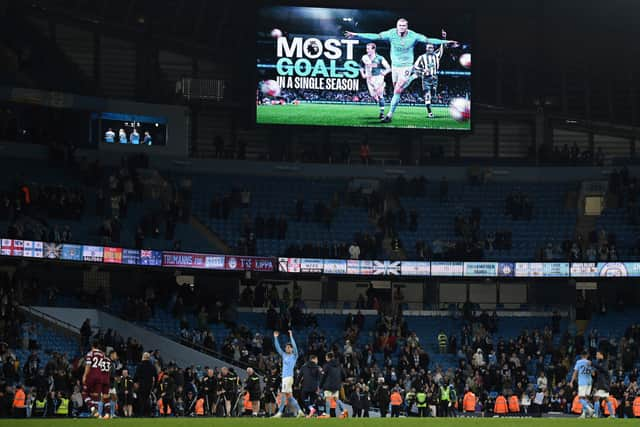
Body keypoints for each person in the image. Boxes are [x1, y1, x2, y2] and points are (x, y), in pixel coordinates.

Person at [345, 19, 454, 123]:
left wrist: (445, 41)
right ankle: (413, 77)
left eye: (404, 26)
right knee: (396, 90)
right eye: (399, 26)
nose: (401, 28)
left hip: (406, 67)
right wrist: (356, 34)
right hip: (395, 67)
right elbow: (375, 36)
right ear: (397, 26)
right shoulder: (391, 33)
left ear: (407, 27)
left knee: (397, 90)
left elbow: (428, 40)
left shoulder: (413, 36)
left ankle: (389, 115)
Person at [272, 330, 304, 418]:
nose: (287, 348)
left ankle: (279, 412)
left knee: (283, 394)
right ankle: (300, 411)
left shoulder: (294, 355)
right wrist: (275, 338)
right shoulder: (284, 355)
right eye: (286, 347)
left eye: (289, 347)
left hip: (288, 378)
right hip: (285, 378)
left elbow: (295, 346)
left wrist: (291, 336)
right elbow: (278, 348)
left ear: (292, 349)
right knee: (289, 397)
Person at [412, 34, 446, 118]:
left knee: (433, 95)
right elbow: (414, 67)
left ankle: (433, 96)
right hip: (426, 79)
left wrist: (443, 38)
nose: (430, 49)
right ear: (426, 49)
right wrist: (423, 70)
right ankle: (430, 113)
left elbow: (442, 47)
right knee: (427, 95)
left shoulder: (436, 56)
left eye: (431, 47)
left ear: (433, 48)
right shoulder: (421, 57)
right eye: (428, 47)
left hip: (434, 78)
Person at [359, 43, 391, 119]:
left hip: (378, 78)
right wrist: (362, 73)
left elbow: (389, 68)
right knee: (373, 95)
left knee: (380, 95)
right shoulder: (364, 57)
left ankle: (382, 113)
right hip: (369, 79)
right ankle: (378, 97)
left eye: (368, 49)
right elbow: (360, 65)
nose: (367, 50)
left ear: (373, 49)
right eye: (366, 48)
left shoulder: (380, 58)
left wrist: (385, 72)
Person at [82, 340, 112, 418]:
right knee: (96, 395)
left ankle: (93, 408)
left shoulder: (90, 353)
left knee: (84, 393)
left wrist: (85, 375)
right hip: (100, 376)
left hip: (92, 375)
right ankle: (99, 414)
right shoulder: (102, 354)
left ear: (92, 346)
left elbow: (88, 365)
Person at [320, 352, 346, 418]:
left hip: (328, 385)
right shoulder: (339, 365)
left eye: (326, 357)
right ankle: (344, 411)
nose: (325, 359)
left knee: (327, 399)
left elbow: (323, 377)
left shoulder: (327, 365)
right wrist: (341, 381)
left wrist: (320, 386)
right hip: (337, 385)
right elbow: (344, 374)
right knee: (336, 399)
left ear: (328, 357)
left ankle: (327, 414)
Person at [570, 350, 595, 418]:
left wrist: (571, 381)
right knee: (586, 398)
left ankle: (590, 409)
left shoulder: (579, 362)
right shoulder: (589, 362)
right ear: (587, 355)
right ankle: (584, 414)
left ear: (581, 355)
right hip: (589, 382)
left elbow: (575, 372)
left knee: (580, 398)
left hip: (582, 382)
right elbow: (593, 374)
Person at [133, 352, 156, 417]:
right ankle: (148, 413)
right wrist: (155, 386)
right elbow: (156, 376)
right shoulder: (152, 366)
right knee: (147, 399)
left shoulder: (140, 365)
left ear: (144, 357)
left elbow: (136, 375)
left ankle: (141, 413)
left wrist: (134, 382)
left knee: (141, 399)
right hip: (149, 385)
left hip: (141, 385)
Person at [592, 350, 614, 418]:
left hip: (603, 384)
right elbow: (600, 372)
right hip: (603, 383)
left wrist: (594, 364)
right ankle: (612, 415)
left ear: (601, 355)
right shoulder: (600, 362)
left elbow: (603, 369)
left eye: (597, 354)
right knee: (606, 399)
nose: (596, 356)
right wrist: (594, 373)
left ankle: (596, 414)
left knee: (596, 398)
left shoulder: (605, 362)